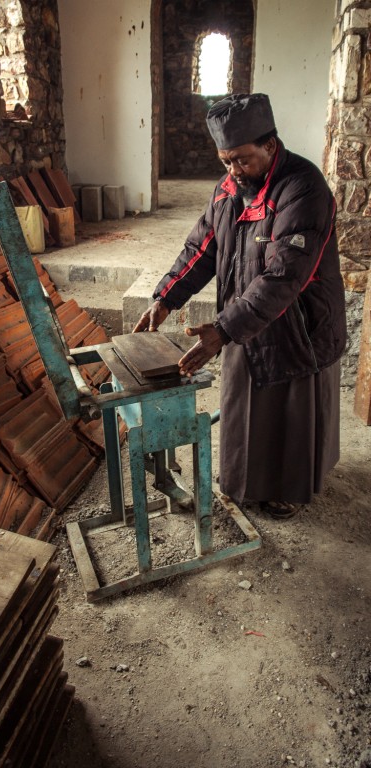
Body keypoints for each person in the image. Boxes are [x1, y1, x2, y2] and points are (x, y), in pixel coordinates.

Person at [133, 93, 346, 519]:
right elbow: (203, 247)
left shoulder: (303, 189)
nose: (233, 171)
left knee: (288, 406)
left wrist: (224, 330)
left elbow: (284, 276)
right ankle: (244, 481)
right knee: (244, 404)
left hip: (297, 320)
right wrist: (166, 297)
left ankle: (285, 489)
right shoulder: (229, 189)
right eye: (225, 160)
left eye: (242, 160)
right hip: (246, 312)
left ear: (270, 145)